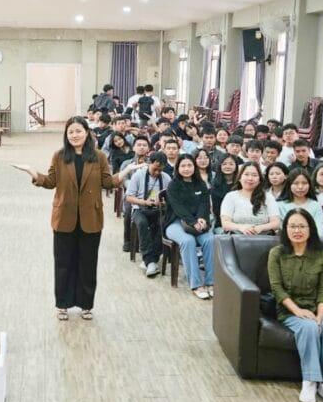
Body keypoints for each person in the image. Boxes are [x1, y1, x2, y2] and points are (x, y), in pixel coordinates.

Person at [13, 116, 144, 320]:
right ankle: (62, 304)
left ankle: (86, 305)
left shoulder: (99, 157)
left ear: (87, 133)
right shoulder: (59, 156)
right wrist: (33, 173)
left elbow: (107, 183)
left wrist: (125, 171)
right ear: (66, 135)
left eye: (78, 131)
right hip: (64, 216)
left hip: (91, 217)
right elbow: (51, 181)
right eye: (71, 132)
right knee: (63, 263)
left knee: (88, 263)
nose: (74, 135)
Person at [268, 209, 323, 402]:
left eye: (302, 226)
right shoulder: (276, 253)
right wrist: (298, 311)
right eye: (293, 226)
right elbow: (277, 289)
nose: (297, 230)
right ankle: (310, 381)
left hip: (320, 308)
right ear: (285, 229)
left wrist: (320, 316)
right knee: (309, 328)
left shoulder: (322, 256)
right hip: (290, 309)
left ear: (310, 229)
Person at [165, 154, 216, 300]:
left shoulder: (201, 184)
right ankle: (196, 284)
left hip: (197, 222)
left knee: (210, 240)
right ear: (177, 168)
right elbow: (178, 208)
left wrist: (202, 219)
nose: (186, 169)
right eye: (183, 166)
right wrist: (193, 222)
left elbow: (204, 204)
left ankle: (211, 282)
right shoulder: (173, 185)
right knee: (188, 241)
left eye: (189, 165)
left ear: (194, 167)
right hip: (175, 222)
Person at [126, 152, 171, 278]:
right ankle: (150, 260)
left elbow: (170, 197)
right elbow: (129, 197)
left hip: (158, 209)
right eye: (155, 169)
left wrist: (163, 202)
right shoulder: (138, 175)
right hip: (139, 208)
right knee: (142, 223)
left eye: (160, 170)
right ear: (149, 163)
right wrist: (145, 202)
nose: (157, 172)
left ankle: (150, 260)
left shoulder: (166, 178)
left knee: (163, 224)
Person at [220, 162, 280, 236]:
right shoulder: (231, 196)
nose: (250, 178)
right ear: (239, 178)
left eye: (254, 175)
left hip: (263, 238)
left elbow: (276, 223)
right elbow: (225, 223)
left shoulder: (268, 197)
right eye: (246, 174)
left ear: (259, 180)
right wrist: (241, 227)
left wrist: (261, 228)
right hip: (237, 238)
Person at [278, 168, 323, 233]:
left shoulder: (315, 205)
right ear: (289, 185)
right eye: (296, 183)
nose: (300, 187)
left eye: (304, 183)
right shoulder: (280, 205)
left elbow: (319, 231)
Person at [210, 154, 240, 227]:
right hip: (222, 222)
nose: (227, 166)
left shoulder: (241, 184)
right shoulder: (215, 185)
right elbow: (216, 210)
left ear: (236, 166)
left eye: (231, 164)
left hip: (240, 220)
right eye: (224, 164)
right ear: (220, 166)